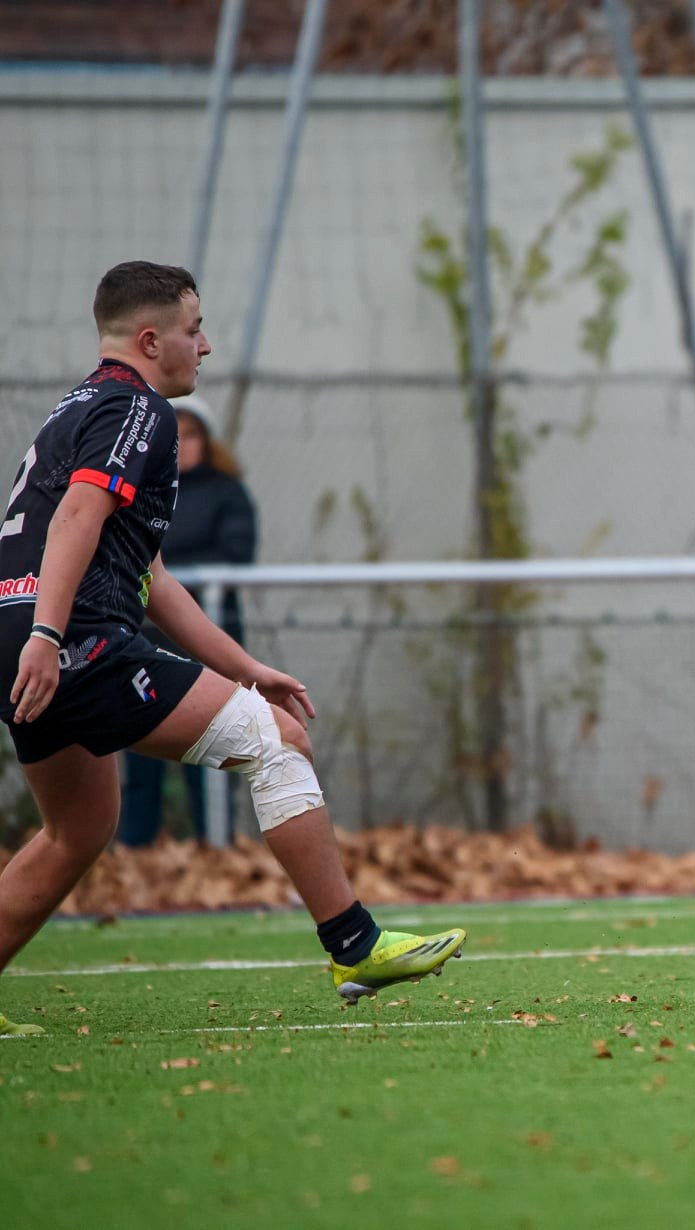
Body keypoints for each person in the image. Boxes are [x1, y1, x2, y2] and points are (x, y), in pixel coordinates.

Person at [0, 262, 463, 1038]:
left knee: (77, 829)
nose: (205, 346)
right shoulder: (135, 408)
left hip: (25, 630)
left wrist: (244, 668)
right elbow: (78, 516)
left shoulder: (78, 407)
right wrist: (52, 637)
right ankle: (355, 944)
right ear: (152, 340)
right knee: (275, 740)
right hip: (70, 636)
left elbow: (151, 575)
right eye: (193, 328)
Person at [117, 395, 257, 845]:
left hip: (207, 641)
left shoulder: (227, 493)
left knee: (216, 744)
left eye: (190, 434)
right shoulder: (137, 493)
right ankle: (135, 848)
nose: (182, 445)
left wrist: (167, 583)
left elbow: (235, 555)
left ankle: (215, 845)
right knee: (141, 754)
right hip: (143, 641)